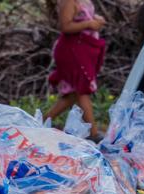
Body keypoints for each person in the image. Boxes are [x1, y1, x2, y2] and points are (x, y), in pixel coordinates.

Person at [43, 0, 107, 134]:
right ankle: (94, 134)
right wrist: (89, 24)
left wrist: (95, 19)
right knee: (81, 90)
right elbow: (65, 26)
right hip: (71, 51)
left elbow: (83, 17)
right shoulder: (69, 1)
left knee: (72, 94)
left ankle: (42, 121)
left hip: (82, 50)